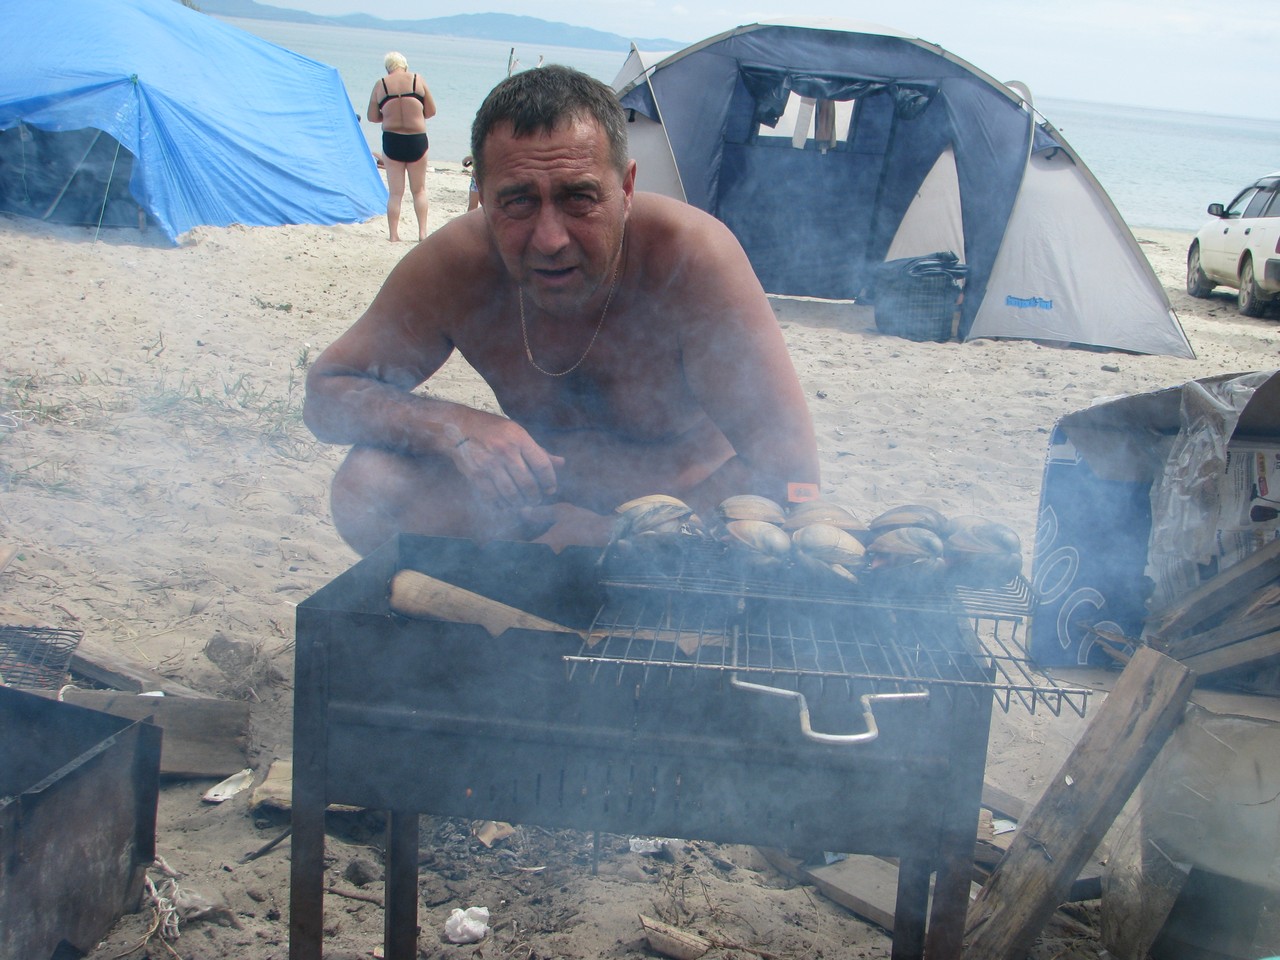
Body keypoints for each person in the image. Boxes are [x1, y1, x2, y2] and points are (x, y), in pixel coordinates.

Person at [306, 65, 819, 555]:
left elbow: (794, 473)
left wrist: (617, 533)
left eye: (579, 198)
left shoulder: (690, 257)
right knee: (369, 485)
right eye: (518, 201)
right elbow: (326, 396)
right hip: (540, 512)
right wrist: (453, 427)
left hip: (684, 519)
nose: (550, 240)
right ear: (482, 195)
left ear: (626, 189)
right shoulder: (456, 266)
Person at [367, 51, 436, 242]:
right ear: (404, 65)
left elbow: (372, 117)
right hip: (416, 140)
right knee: (419, 190)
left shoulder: (381, 84)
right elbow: (431, 111)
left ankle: (393, 235)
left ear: (388, 68)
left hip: (392, 140)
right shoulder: (416, 80)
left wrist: (389, 115)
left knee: (395, 193)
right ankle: (422, 233)